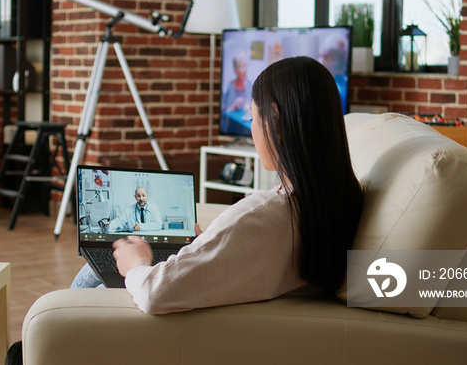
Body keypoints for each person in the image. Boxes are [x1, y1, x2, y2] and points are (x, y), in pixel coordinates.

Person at [72, 56, 364, 315]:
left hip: (181, 321)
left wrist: (137, 265)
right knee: (98, 266)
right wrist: (208, 243)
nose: (251, 128)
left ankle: (51, 331)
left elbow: (154, 292)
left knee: (106, 271)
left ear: (273, 119)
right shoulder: (342, 200)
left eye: (252, 116)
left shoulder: (262, 214)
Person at [221, 51, 253, 132]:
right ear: (235, 69)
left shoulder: (250, 86)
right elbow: (223, 114)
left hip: (247, 130)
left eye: (245, 65)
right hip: (231, 129)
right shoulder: (230, 87)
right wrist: (234, 105)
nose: (244, 70)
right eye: (241, 67)